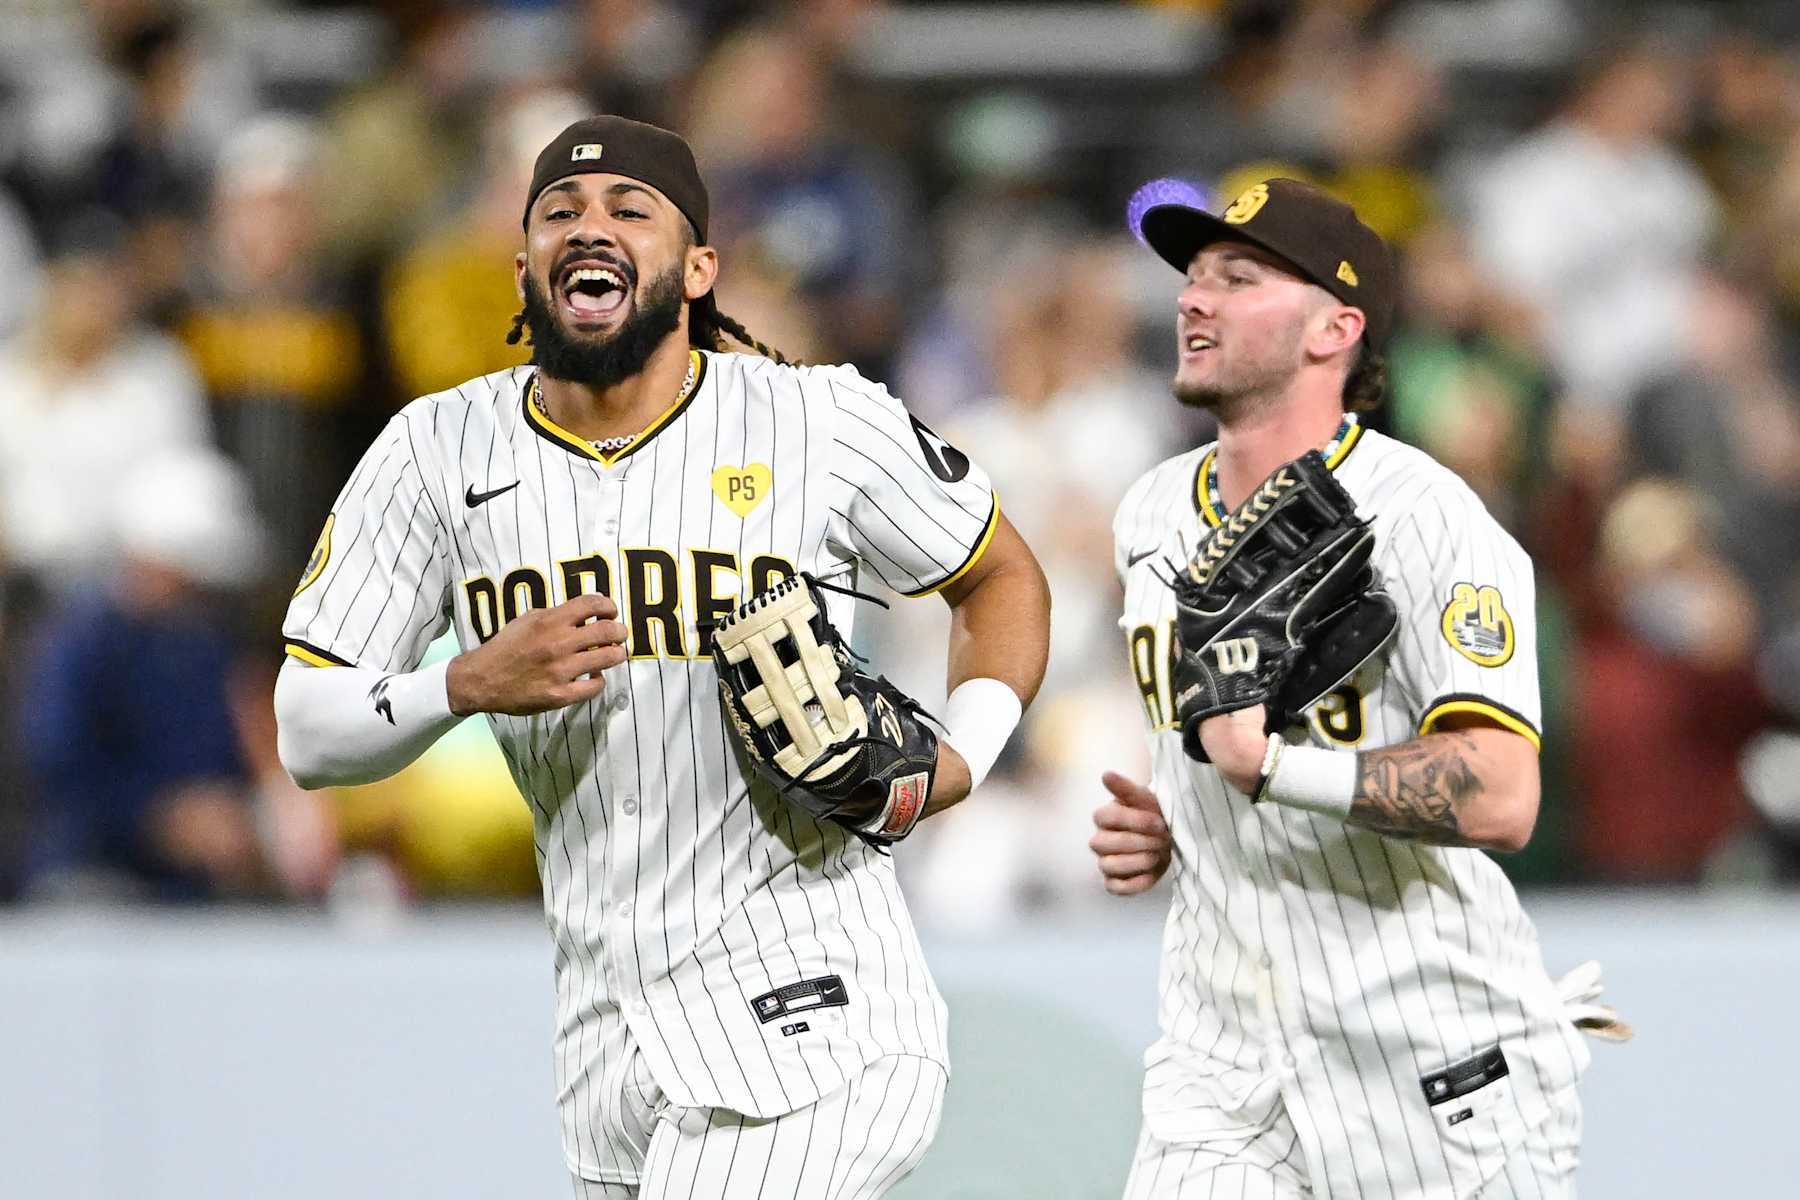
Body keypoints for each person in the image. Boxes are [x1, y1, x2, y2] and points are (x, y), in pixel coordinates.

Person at [272, 115, 1050, 1198]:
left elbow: (1001, 574)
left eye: (629, 210)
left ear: (697, 268)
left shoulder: (815, 419)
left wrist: (962, 758)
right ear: (525, 265)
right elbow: (307, 729)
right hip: (604, 1031)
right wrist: (462, 682)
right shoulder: (433, 451)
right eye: (560, 213)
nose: (591, 228)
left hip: (812, 1002)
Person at [1089, 178, 1598, 1198]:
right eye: (1191, 277)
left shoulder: (1427, 519)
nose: (1194, 299)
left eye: (1238, 278)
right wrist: (1178, 824)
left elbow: (1502, 794)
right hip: (1222, 1072)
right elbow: (1210, 744)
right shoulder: (1147, 514)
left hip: (1431, 1065)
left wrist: (1274, 769)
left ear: (1337, 328)